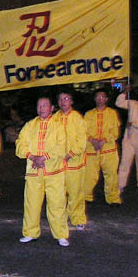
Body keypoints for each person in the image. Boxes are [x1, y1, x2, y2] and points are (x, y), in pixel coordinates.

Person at [16, 96, 70, 247]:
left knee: (57, 204)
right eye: (39, 106)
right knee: (31, 203)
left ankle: (60, 234)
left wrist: (44, 157)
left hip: (54, 172)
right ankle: (30, 232)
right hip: (34, 172)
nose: (41, 108)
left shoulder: (59, 125)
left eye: (45, 105)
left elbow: (62, 147)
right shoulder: (30, 125)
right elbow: (20, 144)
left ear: (52, 108)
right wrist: (32, 156)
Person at [53, 90, 87, 230]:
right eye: (61, 99)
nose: (63, 102)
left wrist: (70, 154)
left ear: (71, 101)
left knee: (75, 193)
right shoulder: (53, 118)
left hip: (74, 163)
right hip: (58, 163)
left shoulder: (78, 118)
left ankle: (77, 218)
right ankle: (59, 219)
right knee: (58, 194)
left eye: (66, 98)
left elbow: (82, 141)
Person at [83, 88, 122, 205]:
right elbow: (83, 131)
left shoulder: (112, 113)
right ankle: (86, 197)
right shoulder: (88, 114)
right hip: (91, 149)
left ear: (106, 99)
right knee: (89, 175)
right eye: (98, 97)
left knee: (111, 175)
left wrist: (104, 140)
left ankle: (113, 198)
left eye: (102, 97)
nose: (100, 99)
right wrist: (92, 140)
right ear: (94, 99)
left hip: (108, 150)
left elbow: (115, 132)